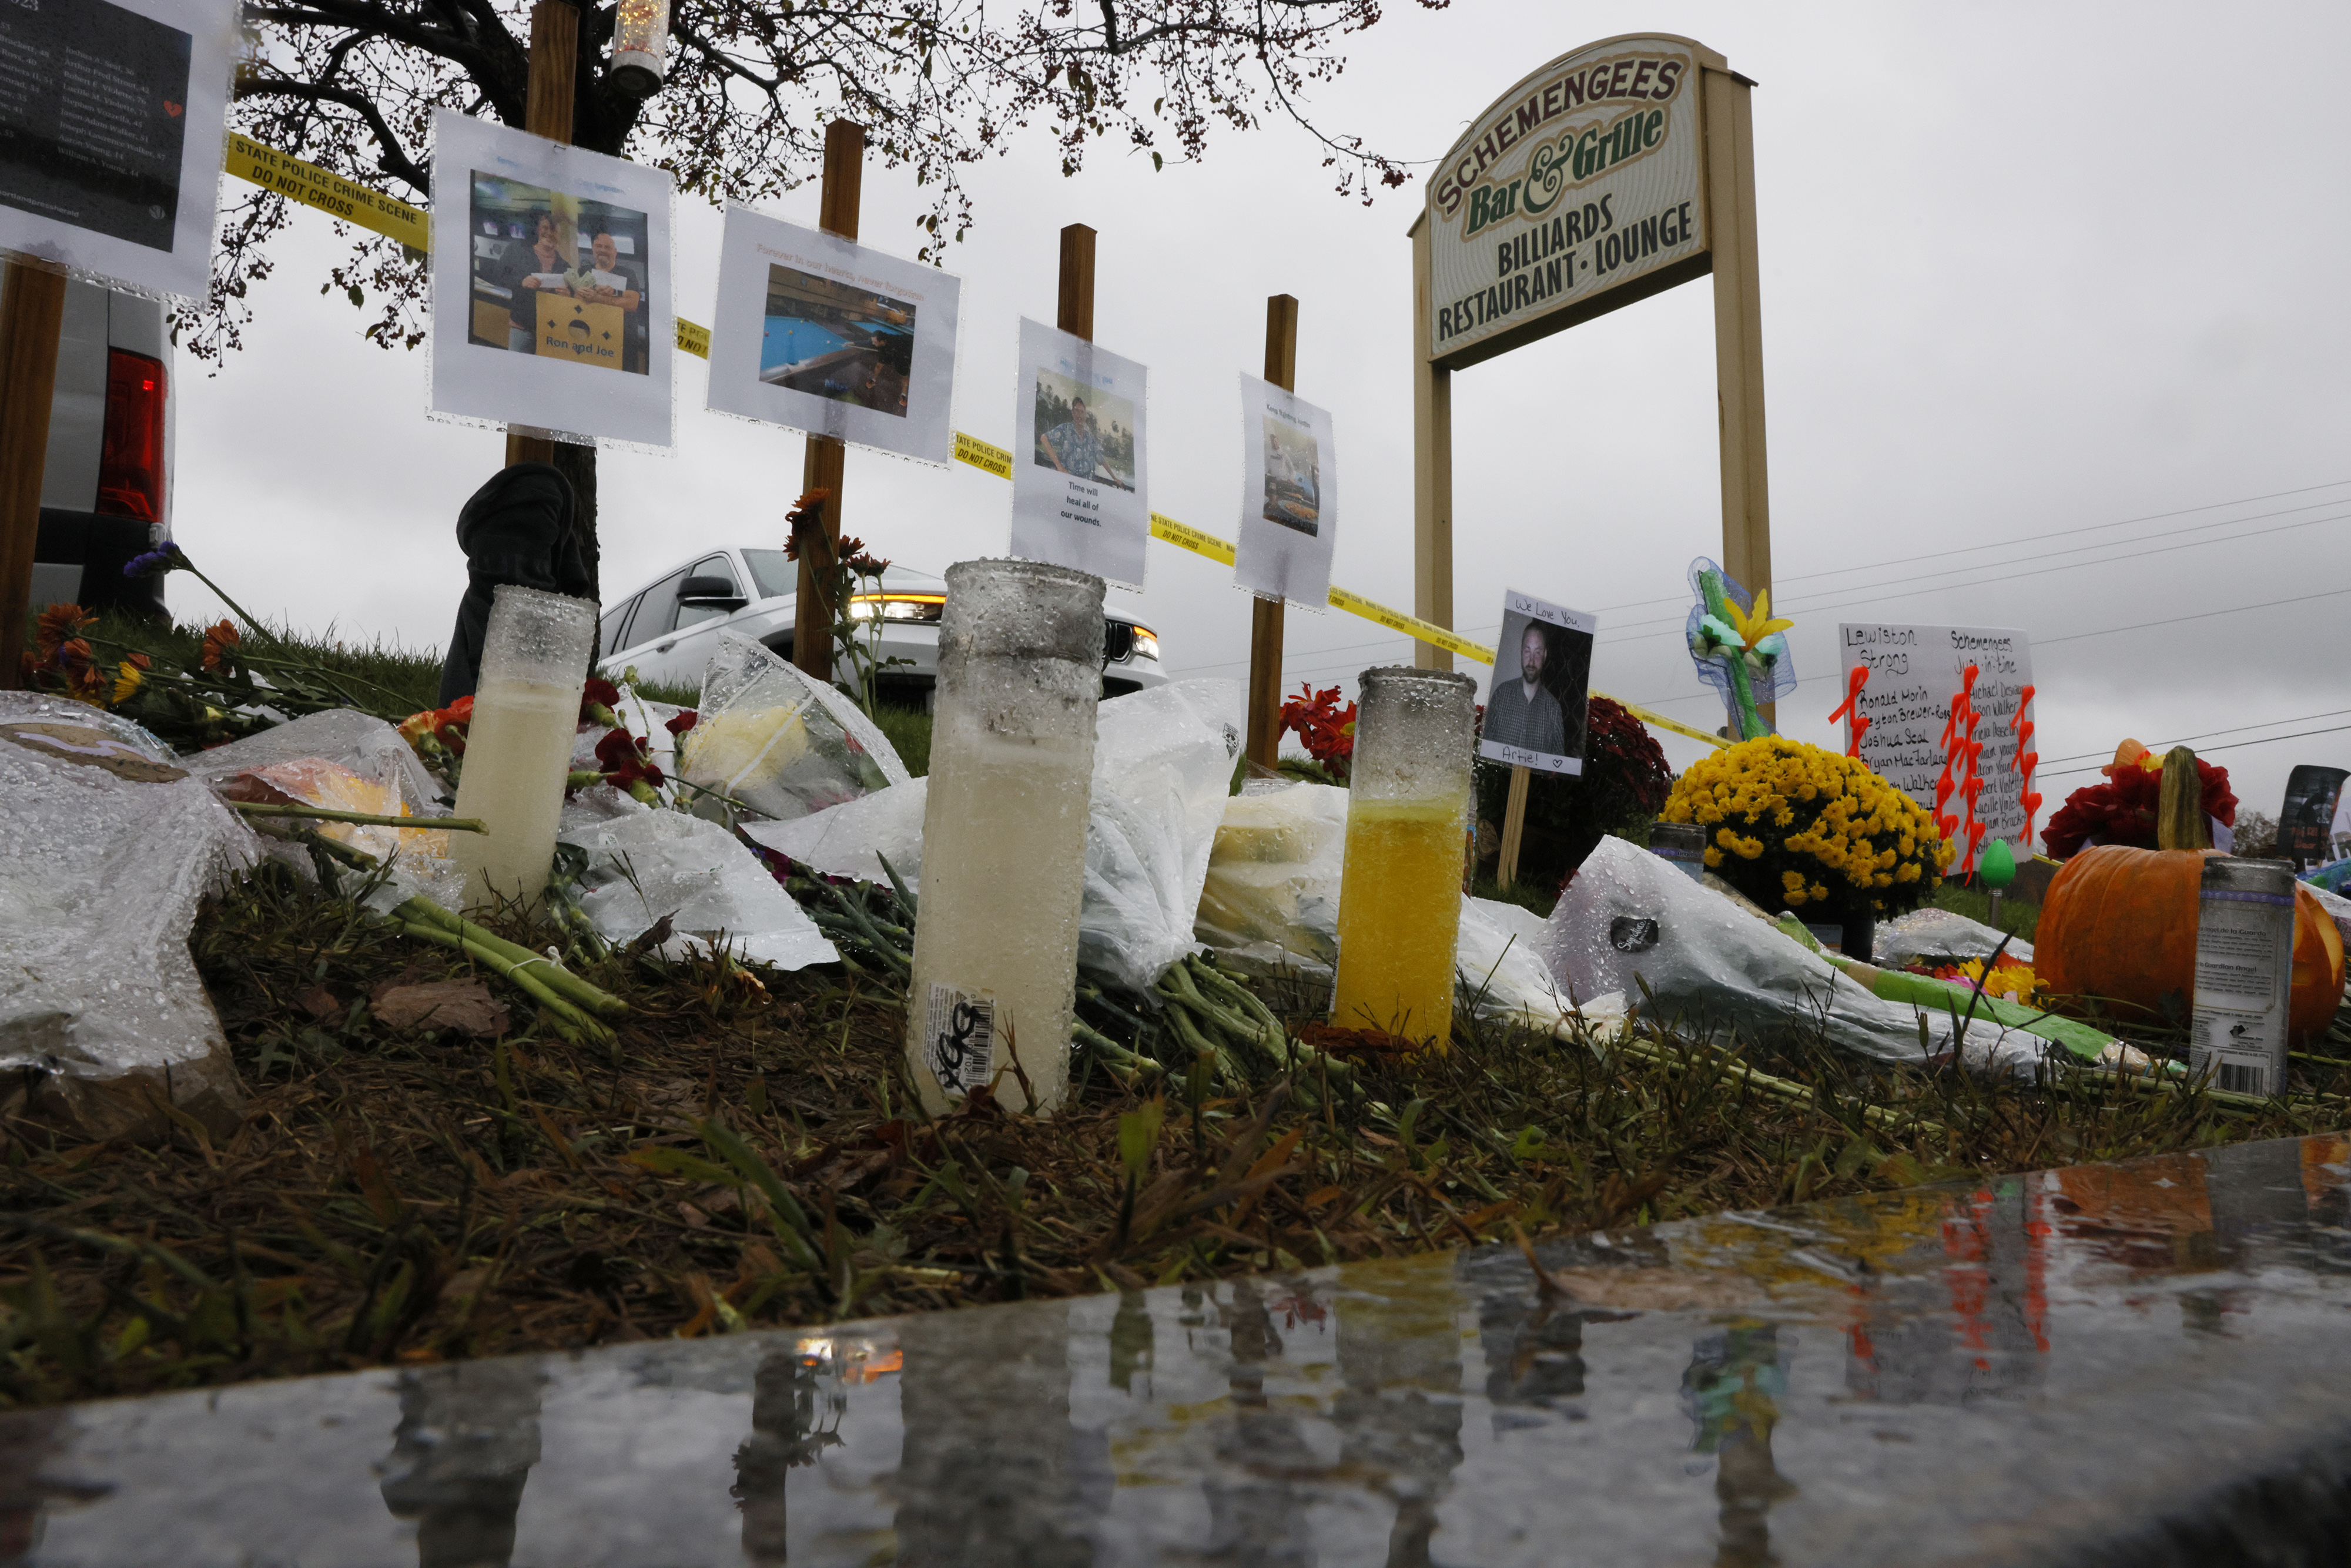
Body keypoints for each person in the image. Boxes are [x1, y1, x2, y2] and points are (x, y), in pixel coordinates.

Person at [438, 463, 595, 704]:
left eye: (535, 532)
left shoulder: (563, 627)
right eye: (506, 534)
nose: (518, 551)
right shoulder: (479, 608)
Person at [1483, 621, 1568, 756]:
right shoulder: (1501, 694)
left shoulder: (1553, 708)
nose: (1531, 661)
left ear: (1545, 655)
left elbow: (1557, 766)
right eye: (1527, 651)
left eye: (1538, 653)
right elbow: (1485, 747)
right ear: (1521, 651)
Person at [569, 225, 646, 370]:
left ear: (615, 252)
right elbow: (576, 299)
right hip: (591, 339)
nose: (603, 250)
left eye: (608, 247)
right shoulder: (584, 271)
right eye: (599, 246)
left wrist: (598, 298)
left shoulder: (628, 274)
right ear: (593, 249)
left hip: (622, 342)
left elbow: (632, 303)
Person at [493, 211, 568, 353]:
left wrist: (567, 295)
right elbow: (497, 275)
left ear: (559, 236)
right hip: (521, 328)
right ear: (539, 229)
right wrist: (521, 282)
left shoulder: (565, 267)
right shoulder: (518, 251)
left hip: (551, 332)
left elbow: (570, 301)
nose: (549, 233)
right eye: (545, 228)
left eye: (554, 230)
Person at [1040, 396, 1103, 483]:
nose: (1079, 415)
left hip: (1086, 489)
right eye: (1077, 411)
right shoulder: (1065, 429)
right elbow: (1044, 438)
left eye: (1082, 412)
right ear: (1073, 413)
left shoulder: (1089, 437)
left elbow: (1101, 459)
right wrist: (1060, 468)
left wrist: (1115, 478)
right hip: (1067, 485)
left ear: (1085, 415)